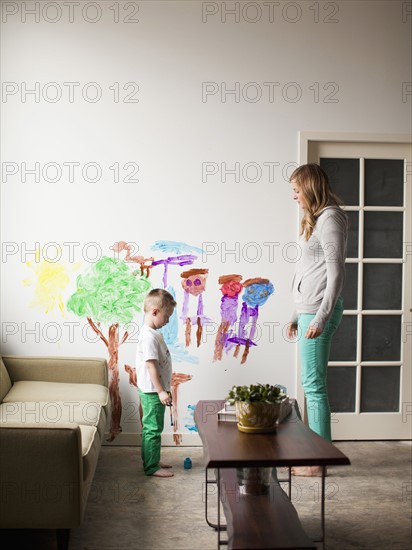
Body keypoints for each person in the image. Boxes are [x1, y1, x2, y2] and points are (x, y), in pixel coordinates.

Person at [287, 163, 348, 477]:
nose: (294, 196)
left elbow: (336, 273)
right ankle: (317, 455)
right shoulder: (315, 220)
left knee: (314, 386)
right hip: (308, 310)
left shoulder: (331, 218)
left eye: (297, 190)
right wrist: (295, 314)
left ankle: (320, 461)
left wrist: (321, 317)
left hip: (319, 311)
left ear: (310, 188)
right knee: (311, 384)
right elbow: (307, 271)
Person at [137, 288, 177, 478]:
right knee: (153, 428)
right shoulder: (149, 337)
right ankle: (151, 467)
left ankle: (152, 459)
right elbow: (151, 366)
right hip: (153, 391)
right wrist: (161, 391)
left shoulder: (151, 333)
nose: (168, 320)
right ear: (154, 312)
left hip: (154, 389)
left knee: (152, 427)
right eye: (167, 316)